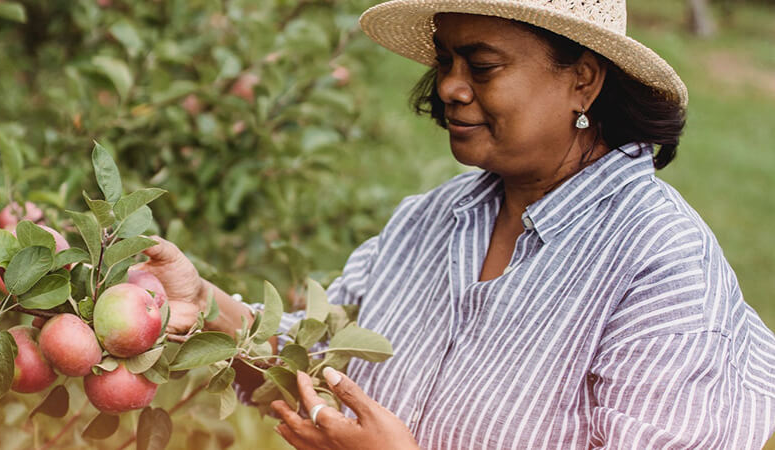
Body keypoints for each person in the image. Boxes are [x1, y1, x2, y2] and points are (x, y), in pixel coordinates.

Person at [141, 0, 775, 448]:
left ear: (583, 79)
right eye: (446, 61)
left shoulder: (657, 258)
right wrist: (208, 306)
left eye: (483, 66)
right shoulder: (432, 219)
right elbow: (320, 356)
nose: (448, 86)